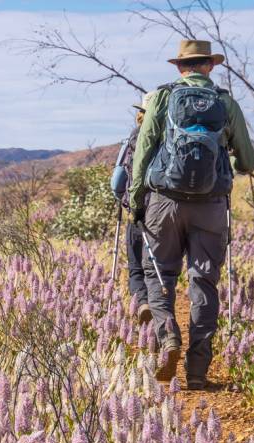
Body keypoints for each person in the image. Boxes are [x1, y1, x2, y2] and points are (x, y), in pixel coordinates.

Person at [129, 40, 254, 387]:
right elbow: (248, 161)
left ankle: (168, 336)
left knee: (159, 276)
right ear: (210, 66)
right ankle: (198, 371)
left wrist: (137, 197)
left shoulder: (162, 97)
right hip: (211, 205)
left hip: (164, 202)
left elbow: (144, 149)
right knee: (203, 282)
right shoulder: (226, 103)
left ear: (179, 67)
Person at [111, 92, 156, 325]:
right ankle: (162, 314)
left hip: (137, 211)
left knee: (136, 265)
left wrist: (123, 198)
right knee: (162, 268)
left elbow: (117, 182)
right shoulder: (169, 138)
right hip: (165, 212)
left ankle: (142, 302)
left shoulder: (131, 139)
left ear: (140, 114)